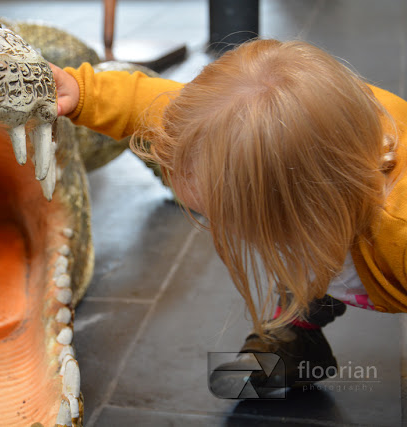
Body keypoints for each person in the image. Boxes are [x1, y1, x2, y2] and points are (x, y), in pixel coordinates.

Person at [50, 39, 407, 391]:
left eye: (229, 216)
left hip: (375, 244)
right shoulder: (226, 133)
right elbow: (147, 102)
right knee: (300, 250)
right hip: (321, 215)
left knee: (299, 242)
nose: (218, 226)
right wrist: (80, 91)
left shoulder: (399, 230)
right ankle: (299, 341)